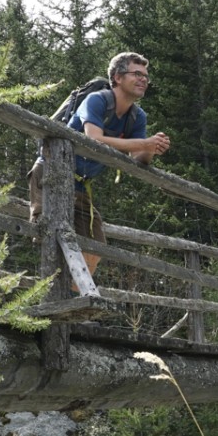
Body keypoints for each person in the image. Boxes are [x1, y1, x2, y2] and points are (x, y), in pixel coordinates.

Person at [29, 52, 171, 278]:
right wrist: (145, 142)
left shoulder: (137, 116)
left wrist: (151, 149)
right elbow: (93, 139)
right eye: (136, 74)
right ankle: (50, 297)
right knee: (50, 236)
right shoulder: (97, 100)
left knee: (95, 245)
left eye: (145, 76)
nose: (143, 79)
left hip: (80, 186)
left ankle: (74, 300)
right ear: (117, 77)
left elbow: (137, 160)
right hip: (51, 173)